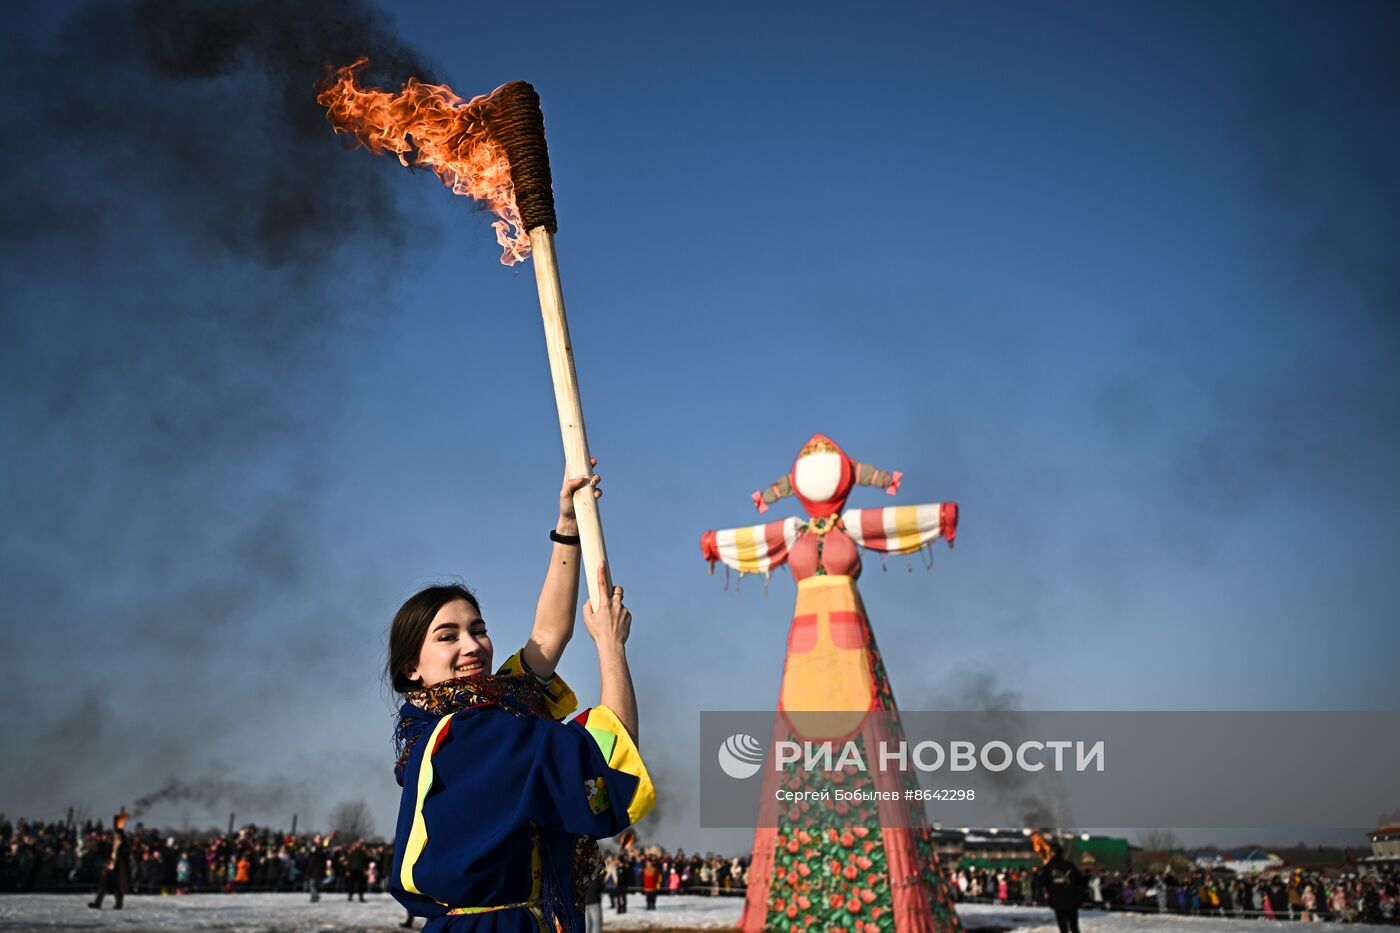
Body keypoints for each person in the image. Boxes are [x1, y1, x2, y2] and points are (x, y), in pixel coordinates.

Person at [386, 467, 654, 932]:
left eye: (479, 630)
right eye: (448, 637)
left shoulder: (475, 713)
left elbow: (547, 636)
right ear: (412, 668)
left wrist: (567, 527)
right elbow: (609, 759)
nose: (472, 646)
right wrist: (612, 648)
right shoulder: (473, 733)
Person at [1037, 843, 1083, 933]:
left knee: (1063, 927)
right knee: (1074, 927)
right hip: (1072, 900)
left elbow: (1041, 882)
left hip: (1057, 901)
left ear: (1052, 853)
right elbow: (1079, 881)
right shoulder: (1070, 865)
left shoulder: (1049, 867)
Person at [88, 813, 130, 910]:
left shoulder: (123, 843)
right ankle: (97, 902)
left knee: (117, 886)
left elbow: (124, 853)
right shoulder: (110, 843)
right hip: (110, 865)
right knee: (103, 884)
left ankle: (119, 904)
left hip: (118, 867)